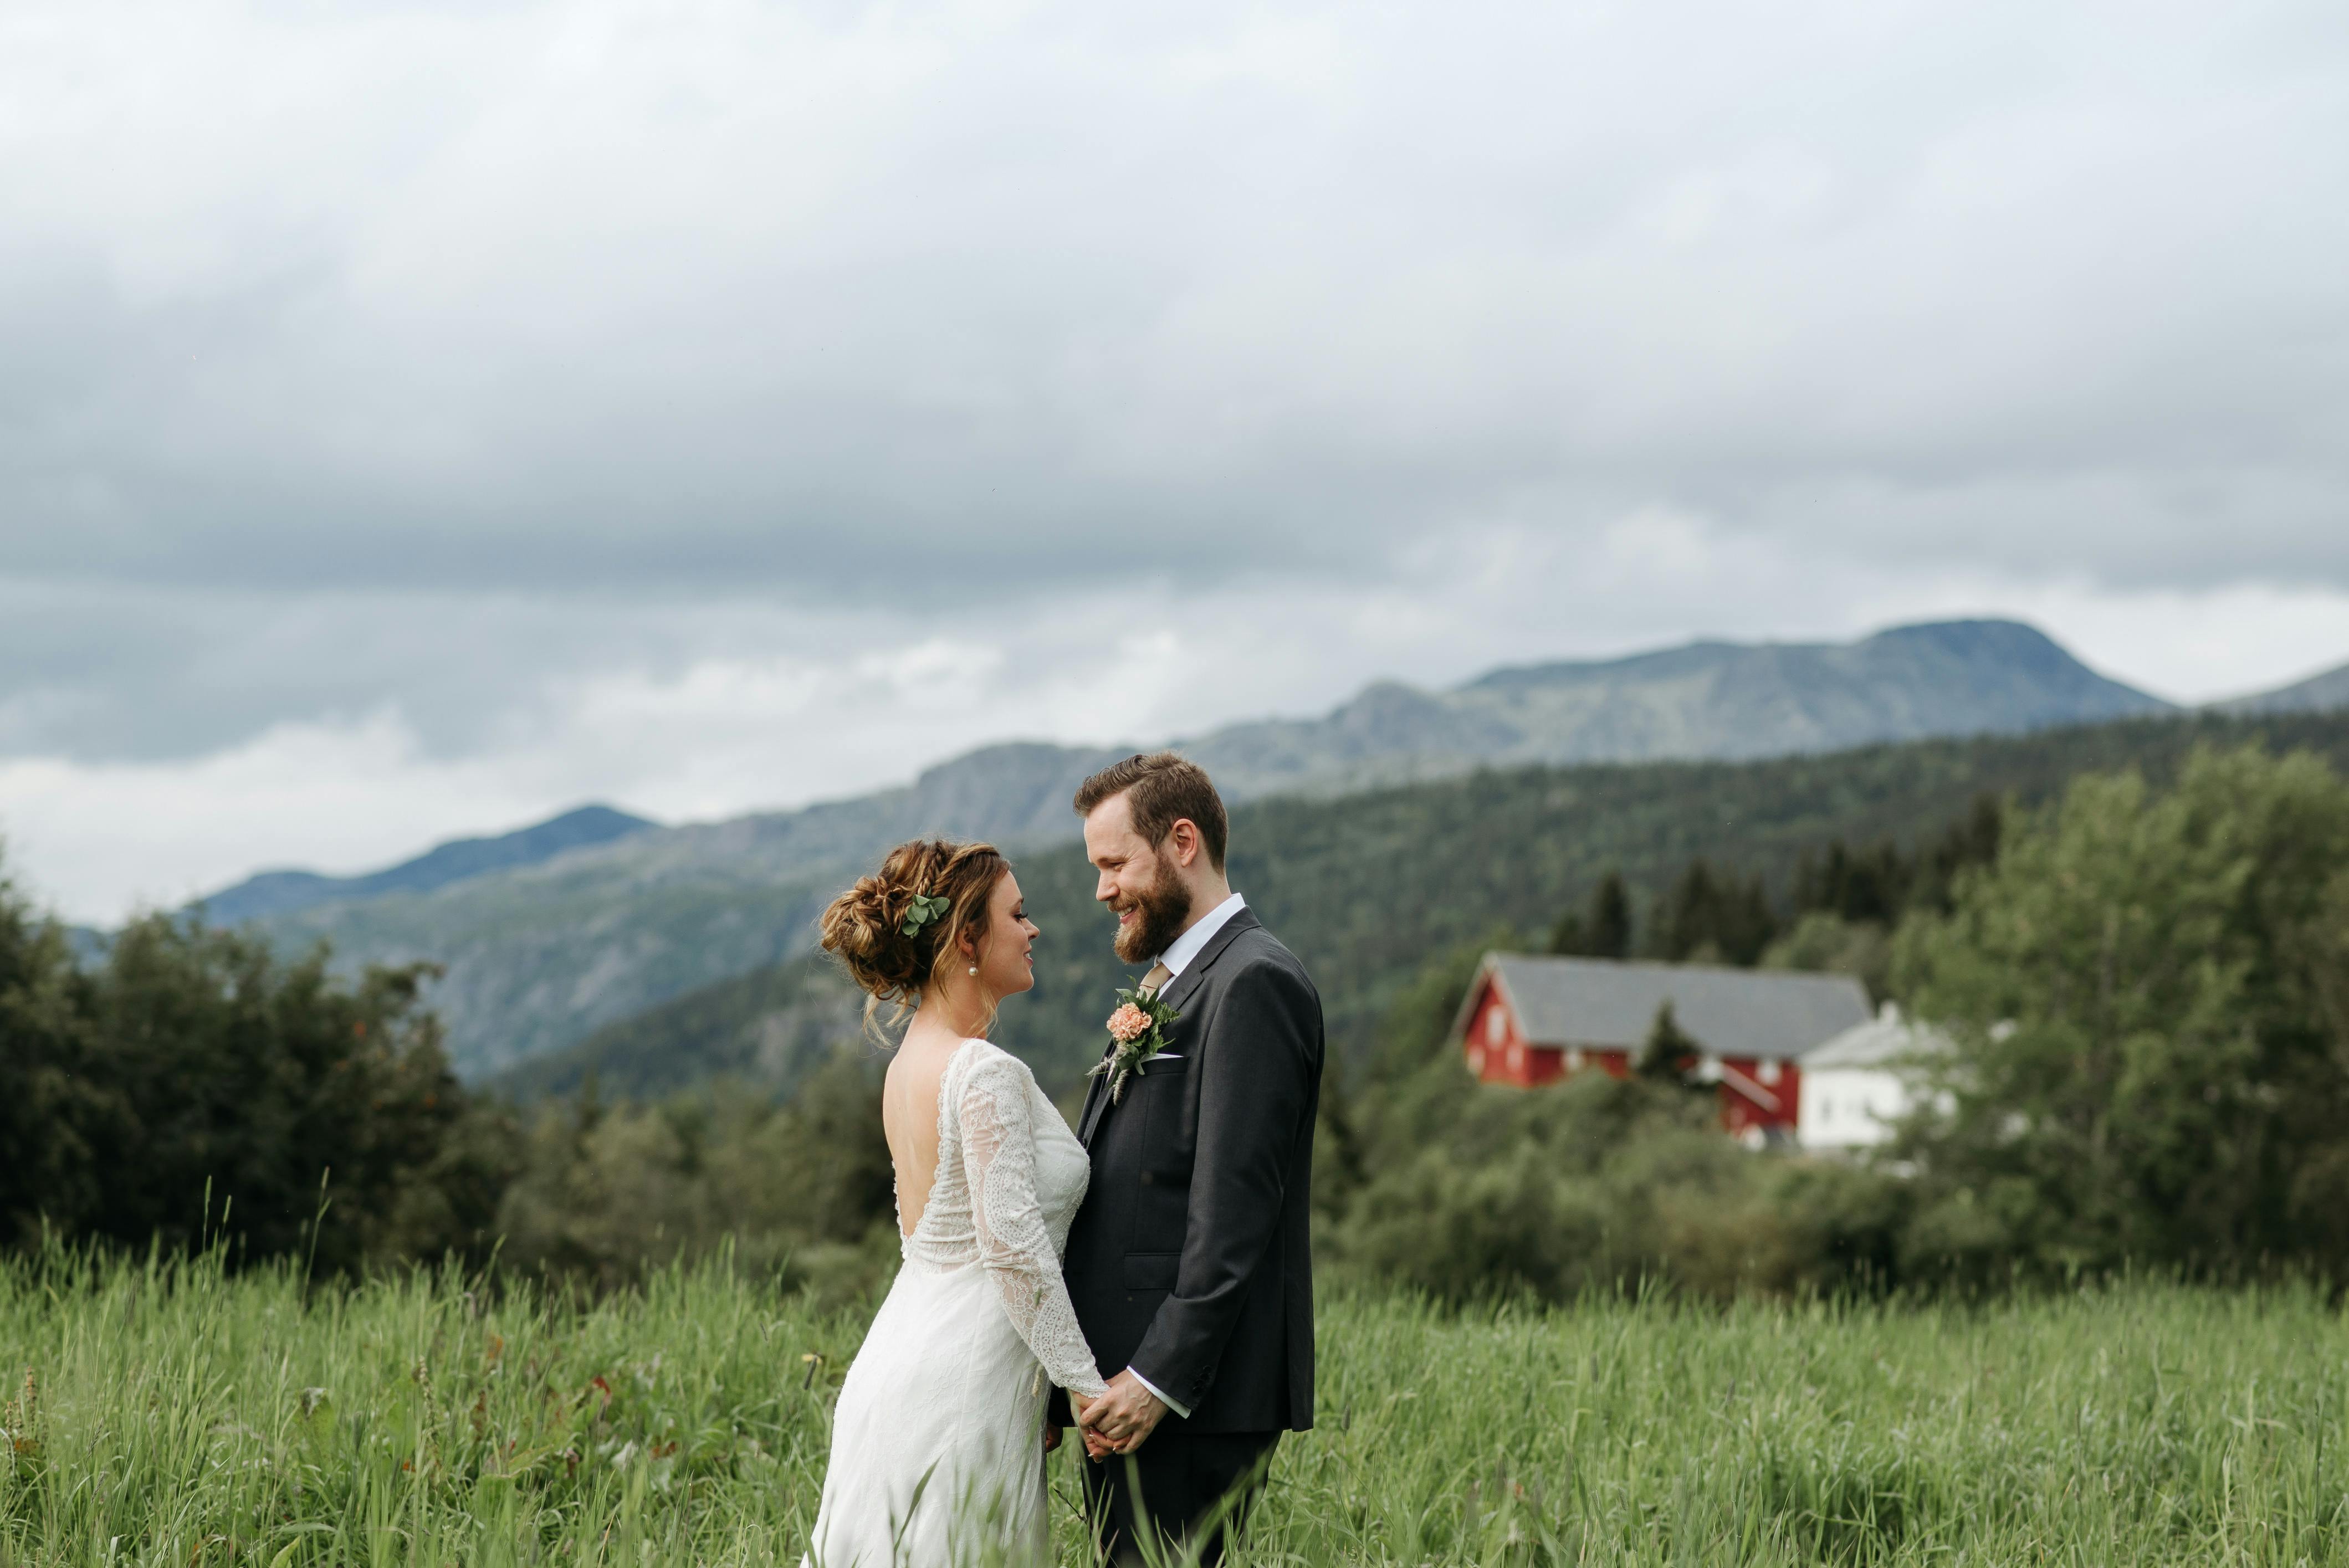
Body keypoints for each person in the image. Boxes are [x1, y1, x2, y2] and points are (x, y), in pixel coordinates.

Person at [1052, 753, 1325, 1565]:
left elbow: (1234, 1210)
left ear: (1181, 842)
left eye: (1113, 863)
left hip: (1189, 1398)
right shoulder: (1182, 982)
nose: (1102, 889)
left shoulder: (1253, 981)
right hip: (1131, 1388)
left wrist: (1159, 1377)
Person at [804, 839, 1106, 1567]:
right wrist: (1086, 1387)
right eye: (1018, 914)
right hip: (961, 1383)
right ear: (968, 938)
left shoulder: (909, 1063)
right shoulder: (982, 1071)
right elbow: (1010, 1243)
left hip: (903, 1360)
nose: (1033, 930)